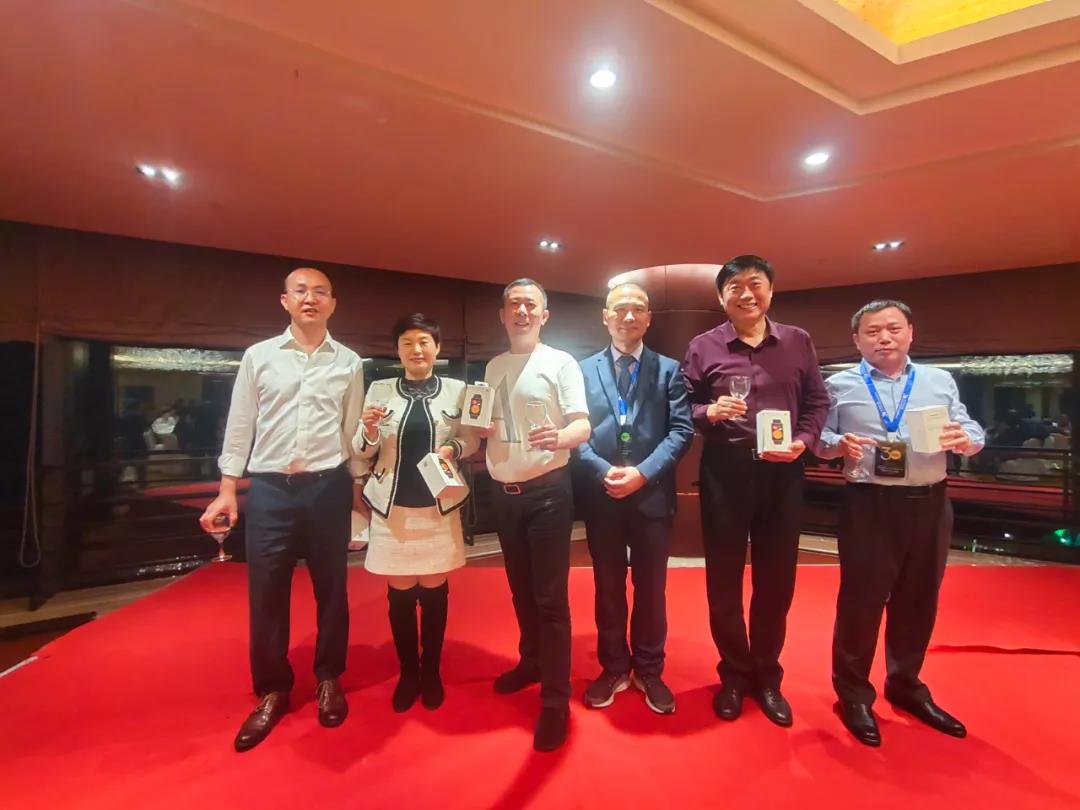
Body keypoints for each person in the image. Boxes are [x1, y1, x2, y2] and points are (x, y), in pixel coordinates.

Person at [199, 267, 365, 752]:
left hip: (329, 487)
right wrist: (227, 489)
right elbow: (240, 424)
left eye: (320, 292)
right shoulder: (260, 356)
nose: (310, 298)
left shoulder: (349, 361)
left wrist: (357, 489)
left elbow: (351, 429)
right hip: (270, 490)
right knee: (266, 592)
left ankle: (329, 676)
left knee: (332, 589)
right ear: (285, 301)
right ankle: (273, 688)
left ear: (333, 304)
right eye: (301, 291)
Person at [815, 299, 984, 747]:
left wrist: (967, 439)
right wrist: (838, 445)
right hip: (869, 503)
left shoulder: (938, 380)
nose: (884, 338)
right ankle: (853, 694)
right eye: (872, 332)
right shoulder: (838, 385)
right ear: (857, 340)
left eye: (893, 328)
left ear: (911, 332)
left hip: (930, 502)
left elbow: (969, 428)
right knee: (861, 603)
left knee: (919, 599)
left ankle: (906, 684)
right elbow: (819, 439)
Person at [682, 254, 829, 728]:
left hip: (783, 472)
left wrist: (803, 441)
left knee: (776, 580)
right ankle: (733, 673)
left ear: (770, 289)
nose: (746, 294)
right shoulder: (703, 346)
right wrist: (709, 412)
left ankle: (767, 675)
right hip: (725, 471)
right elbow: (682, 405)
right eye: (735, 287)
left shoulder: (797, 341)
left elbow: (817, 401)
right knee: (723, 581)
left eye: (755, 284)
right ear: (720, 297)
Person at [573, 282, 693, 714]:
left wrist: (642, 474)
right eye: (620, 308)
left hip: (652, 495)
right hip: (602, 493)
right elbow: (575, 433)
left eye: (638, 309)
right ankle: (614, 667)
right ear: (605, 316)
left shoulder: (669, 370)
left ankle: (649, 668)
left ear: (648, 318)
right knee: (607, 588)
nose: (629, 316)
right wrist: (602, 470)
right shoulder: (581, 371)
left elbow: (681, 430)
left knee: (651, 589)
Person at [483, 278, 590, 751]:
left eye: (531, 305)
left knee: (550, 600)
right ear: (502, 315)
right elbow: (485, 423)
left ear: (544, 316)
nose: (522, 311)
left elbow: (582, 425)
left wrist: (560, 437)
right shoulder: (493, 366)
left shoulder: (560, 362)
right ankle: (530, 662)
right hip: (503, 495)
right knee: (520, 591)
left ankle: (555, 699)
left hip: (547, 494)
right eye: (514, 305)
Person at [355, 313, 479, 713]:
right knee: (401, 597)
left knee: (435, 593)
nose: (416, 349)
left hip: (437, 507)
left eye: (424, 342)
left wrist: (453, 449)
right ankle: (409, 672)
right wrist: (368, 430)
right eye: (407, 343)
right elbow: (363, 450)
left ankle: (432, 672)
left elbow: (471, 440)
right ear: (397, 351)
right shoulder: (379, 389)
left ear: (437, 348)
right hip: (393, 509)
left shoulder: (458, 391)